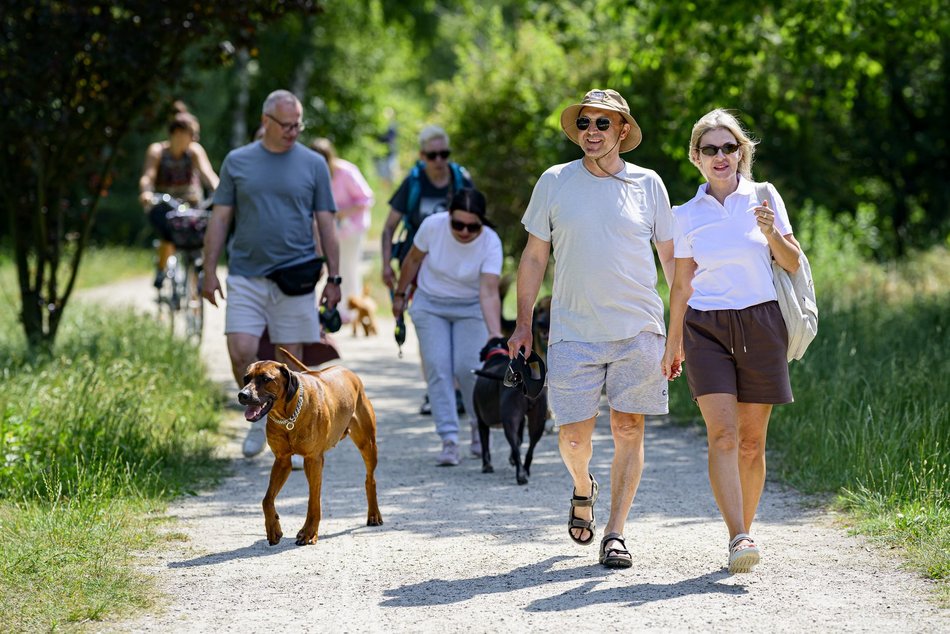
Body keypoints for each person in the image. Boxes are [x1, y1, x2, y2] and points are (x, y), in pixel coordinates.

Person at [508, 89, 675, 569]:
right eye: (585, 123)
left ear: (623, 130)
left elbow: (669, 260)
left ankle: (615, 532)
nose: (592, 132)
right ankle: (583, 486)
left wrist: (680, 330)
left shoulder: (649, 185)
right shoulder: (555, 181)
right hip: (573, 331)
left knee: (628, 427)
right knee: (574, 439)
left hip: (639, 328)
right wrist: (522, 325)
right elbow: (535, 255)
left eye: (604, 124)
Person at [660, 109, 801, 574]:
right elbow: (681, 285)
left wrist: (769, 231)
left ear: (741, 152)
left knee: (751, 442)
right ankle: (738, 536)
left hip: (762, 324)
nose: (721, 156)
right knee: (722, 434)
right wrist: (672, 341)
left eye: (728, 147)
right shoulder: (685, 214)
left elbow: (793, 262)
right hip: (706, 330)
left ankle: (745, 528)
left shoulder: (764, 197)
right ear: (696, 159)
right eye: (710, 149)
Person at [202, 89, 341, 461]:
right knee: (241, 351)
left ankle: (291, 433)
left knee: (289, 361)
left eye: (299, 123)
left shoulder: (313, 164)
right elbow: (220, 217)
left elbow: (327, 223)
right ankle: (257, 416)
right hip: (247, 274)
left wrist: (335, 278)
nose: (295, 130)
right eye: (287, 124)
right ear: (266, 122)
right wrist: (209, 270)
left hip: (294, 276)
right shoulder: (238, 161)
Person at [391, 188, 503, 466]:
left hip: (470, 307)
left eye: (472, 226)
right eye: (458, 224)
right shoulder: (433, 226)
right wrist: (400, 294)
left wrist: (495, 333)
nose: (464, 231)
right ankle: (449, 439)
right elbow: (413, 260)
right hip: (431, 304)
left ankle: (480, 428)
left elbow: (489, 291)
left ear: (482, 222)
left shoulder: (490, 242)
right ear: (449, 216)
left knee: (468, 369)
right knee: (438, 368)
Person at [381, 124, 474, 416]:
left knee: (458, 330)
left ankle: (457, 391)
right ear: (422, 156)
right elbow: (388, 228)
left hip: (457, 266)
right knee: (429, 329)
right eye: (432, 155)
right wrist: (386, 266)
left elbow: (477, 221)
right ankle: (436, 391)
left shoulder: (461, 180)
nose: (438, 161)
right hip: (418, 265)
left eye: (443, 154)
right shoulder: (414, 182)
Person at [139, 102, 219, 288]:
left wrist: (221, 191)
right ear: (178, 133)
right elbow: (148, 177)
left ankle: (198, 277)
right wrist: (146, 193)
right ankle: (162, 268)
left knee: (197, 235)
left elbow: (209, 175)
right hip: (166, 202)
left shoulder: (194, 152)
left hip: (191, 202)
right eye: (192, 134)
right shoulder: (157, 151)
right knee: (168, 234)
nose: (195, 138)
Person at [310, 137, 374, 324]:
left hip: (351, 229)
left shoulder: (346, 172)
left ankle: (350, 311)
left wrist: (341, 213)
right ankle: (327, 308)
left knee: (348, 268)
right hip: (326, 231)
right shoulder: (311, 175)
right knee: (323, 268)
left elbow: (366, 199)